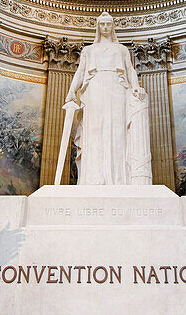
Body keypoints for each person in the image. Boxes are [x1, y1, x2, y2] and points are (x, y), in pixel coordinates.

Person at [64, 12, 151, 185]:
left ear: (112, 27)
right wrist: (71, 92)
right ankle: (94, 177)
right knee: (94, 132)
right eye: (102, 24)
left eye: (108, 24)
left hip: (117, 89)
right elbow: (80, 72)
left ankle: (119, 178)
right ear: (98, 27)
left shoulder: (121, 49)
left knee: (118, 132)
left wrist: (135, 86)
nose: (105, 27)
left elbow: (130, 69)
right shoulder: (89, 50)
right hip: (94, 90)